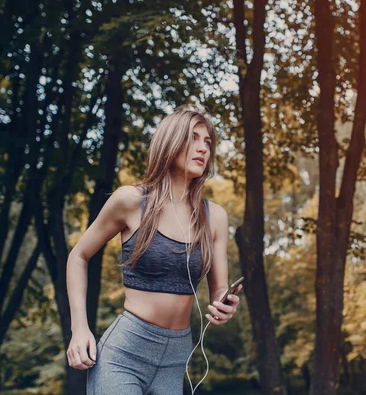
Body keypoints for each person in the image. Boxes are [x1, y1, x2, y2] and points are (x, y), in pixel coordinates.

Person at [65, 106, 242, 394]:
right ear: (170, 143)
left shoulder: (215, 217)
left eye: (207, 142)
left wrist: (225, 305)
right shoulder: (131, 201)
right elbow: (78, 256)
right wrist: (79, 329)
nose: (203, 148)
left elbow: (219, 290)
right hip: (125, 355)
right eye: (193, 138)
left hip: (175, 360)